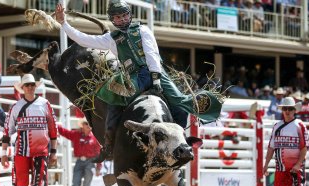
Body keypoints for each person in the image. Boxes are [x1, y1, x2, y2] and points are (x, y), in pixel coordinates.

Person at [55, 0, 222, 162]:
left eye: (124, 16)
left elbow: (152, 54)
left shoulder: (142, 30)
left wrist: (156, 78)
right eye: (117, 17)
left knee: (180, 101)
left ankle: (181, 139)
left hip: (154, 71)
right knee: (113, 99)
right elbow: (85, 39)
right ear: (112, 19)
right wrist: (64, 24)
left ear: (130, 15)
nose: (121, 19)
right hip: (132, 76)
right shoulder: (111, 38)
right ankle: (109, 144)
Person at [1, 74, 58, 186]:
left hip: (41, 150)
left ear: (35, 86)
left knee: (40, 185)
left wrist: (53, 151)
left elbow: (53, 129)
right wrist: (3, 152)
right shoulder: (16, 107)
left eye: (32, 84)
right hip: (21, 150)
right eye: (27, 85)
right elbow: (7, 130)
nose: (30, 87)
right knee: (21, 185)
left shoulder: (45, 104)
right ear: (23, 88)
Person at [263, 97, 309, 186]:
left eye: (290, 109)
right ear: (282, 110)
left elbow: (304, 147)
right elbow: (271, 147)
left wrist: (298, 164)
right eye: (285, 108)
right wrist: (266, 164)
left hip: (296, 165)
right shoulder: (277, 126)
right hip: (280, 165)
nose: (287, 111)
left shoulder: (300, 125)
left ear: (294, 110)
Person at [57, 117, 101, 186]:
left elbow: (99, 154)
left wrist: (98, 168)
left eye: (89, 124)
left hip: (90, 162)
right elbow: (65, 132)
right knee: (75, 185)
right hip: (79, 162)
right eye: (87, 124)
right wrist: (56, 125)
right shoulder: (76, 135)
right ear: (83, 125)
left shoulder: (94, 138)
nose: (89, 126)